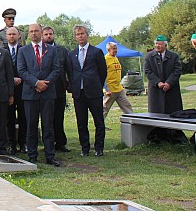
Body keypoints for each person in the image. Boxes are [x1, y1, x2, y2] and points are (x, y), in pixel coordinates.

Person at [17, 23, 60, 166]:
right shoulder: (23, 51)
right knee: (31, 125)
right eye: (31, 31)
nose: (34, 33)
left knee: (48, 125)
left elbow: (56, 69)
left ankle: (50, 155)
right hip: (30, 93)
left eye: (36, 31)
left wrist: (45, 84)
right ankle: (32, 155)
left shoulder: (52, 50)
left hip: (47, 93)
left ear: (41, 33)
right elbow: (21, 71)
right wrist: (36, 83)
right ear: (28, 34)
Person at [67, 25, 107, 157]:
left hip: (94, 92)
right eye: (78, 34)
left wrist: (97, 84)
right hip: (79, 93)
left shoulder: (96, 52)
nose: (80, 36)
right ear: (75, 37)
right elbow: (71, 72)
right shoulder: (72, 54)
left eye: (82, 34)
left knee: (99, 121)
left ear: (87, 34)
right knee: (81, 122)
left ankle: (99, 148)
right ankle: (85, 148)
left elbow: (103, 72)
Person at [42, 26, 71, 153]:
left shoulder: (62, 50)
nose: (48, 36)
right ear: (42, 36)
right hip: (45, 89)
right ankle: (48, 143)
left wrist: (70, 85)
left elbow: (69, 69)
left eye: (50, 34)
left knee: (59, 117)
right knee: (47, 118)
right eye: (46, 34)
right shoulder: (40, 50)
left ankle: (60, 142)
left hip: (59, 89)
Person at [144, 35, 183, 114]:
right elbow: (148, 71)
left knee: (173, 113)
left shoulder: (174, 56)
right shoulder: (149, 56)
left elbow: (177, 71)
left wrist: (169, 83)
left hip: (171, 90)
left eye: (160, 44)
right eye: (156, 44)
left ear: (165, 45)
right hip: (156, 90)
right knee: (156, 115)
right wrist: (158, 82)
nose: (157, 46)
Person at [5, 27, 25, 154]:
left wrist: (20, 78)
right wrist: (11, 79)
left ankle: (23, 143)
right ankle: (12, 144)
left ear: (18, 36)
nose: (12, 36)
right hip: (8, 89)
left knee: (24, 117)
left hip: (23, 88)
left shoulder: (24, 50)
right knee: (9, 118)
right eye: (9, 34)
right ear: (6, 36)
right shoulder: (2, 51)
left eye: (14, 34)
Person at [103, 42, 133, 121]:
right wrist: (106, 89)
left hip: (119, 88)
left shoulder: (116, 58)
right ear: (108, 49)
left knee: (127, 105)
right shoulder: (105, 59)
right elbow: (102, 75)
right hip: (110, 89)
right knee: (104, 108)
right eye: (113, 48)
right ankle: (100, 126)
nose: (116, 50)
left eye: (116, 48)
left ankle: (133, 122)